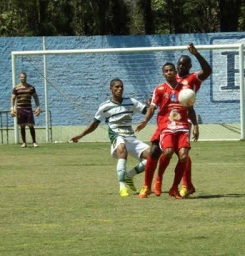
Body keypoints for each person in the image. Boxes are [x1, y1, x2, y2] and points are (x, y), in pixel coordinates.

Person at [146, 43, 212, 198]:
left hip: (183, 121)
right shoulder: (172, 78)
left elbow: (208, 71)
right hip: (166, 121)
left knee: (183, 154)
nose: (181, 66)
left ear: (189, 66)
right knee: (157, 150)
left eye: (184, 64)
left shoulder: (193, 78)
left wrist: (196, 54)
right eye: (179, 64)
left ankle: (185, 185)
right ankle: (154, 182)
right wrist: (153, 102)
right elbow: (164, 93)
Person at [70, 78, 150, 197]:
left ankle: (129, 175)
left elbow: (147, 110)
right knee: (122, 149)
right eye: (116, 87)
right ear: (111, 89)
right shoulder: (105, 106)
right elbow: (94, 123)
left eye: (121, 86)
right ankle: (122, 186)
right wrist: (81, 135)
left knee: (152, 156)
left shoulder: (131, 102)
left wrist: (149, 111)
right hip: (117, 136)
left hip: (131, 137)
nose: (119, 89)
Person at [136, 62, 192, 199]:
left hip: (181, 126)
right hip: (165, 126)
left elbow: (191, 107)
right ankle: (148, 185)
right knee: (157, 151)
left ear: (175, 72)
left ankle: (175, 187)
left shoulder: (185, 89)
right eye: (166, 71)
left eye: (171, 70)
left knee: (183, 156)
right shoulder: (160, 89)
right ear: (163, 73)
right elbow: (152, 107)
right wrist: (145, 121)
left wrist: (195, 125)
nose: (169, 73)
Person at [10, 72, 41, 148]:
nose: (23, 78)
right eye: (21, 77)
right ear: (20, 78)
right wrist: (12, 108)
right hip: (20, 109)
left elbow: (35, 97)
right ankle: (24, 143)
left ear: (26, 77)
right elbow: (13, 98)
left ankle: (34, 142)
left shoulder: (31, 88)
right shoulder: (16, 88)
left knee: (31, 125)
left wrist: (38, 106)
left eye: (24, 77)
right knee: (22, 126)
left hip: (28, 109)